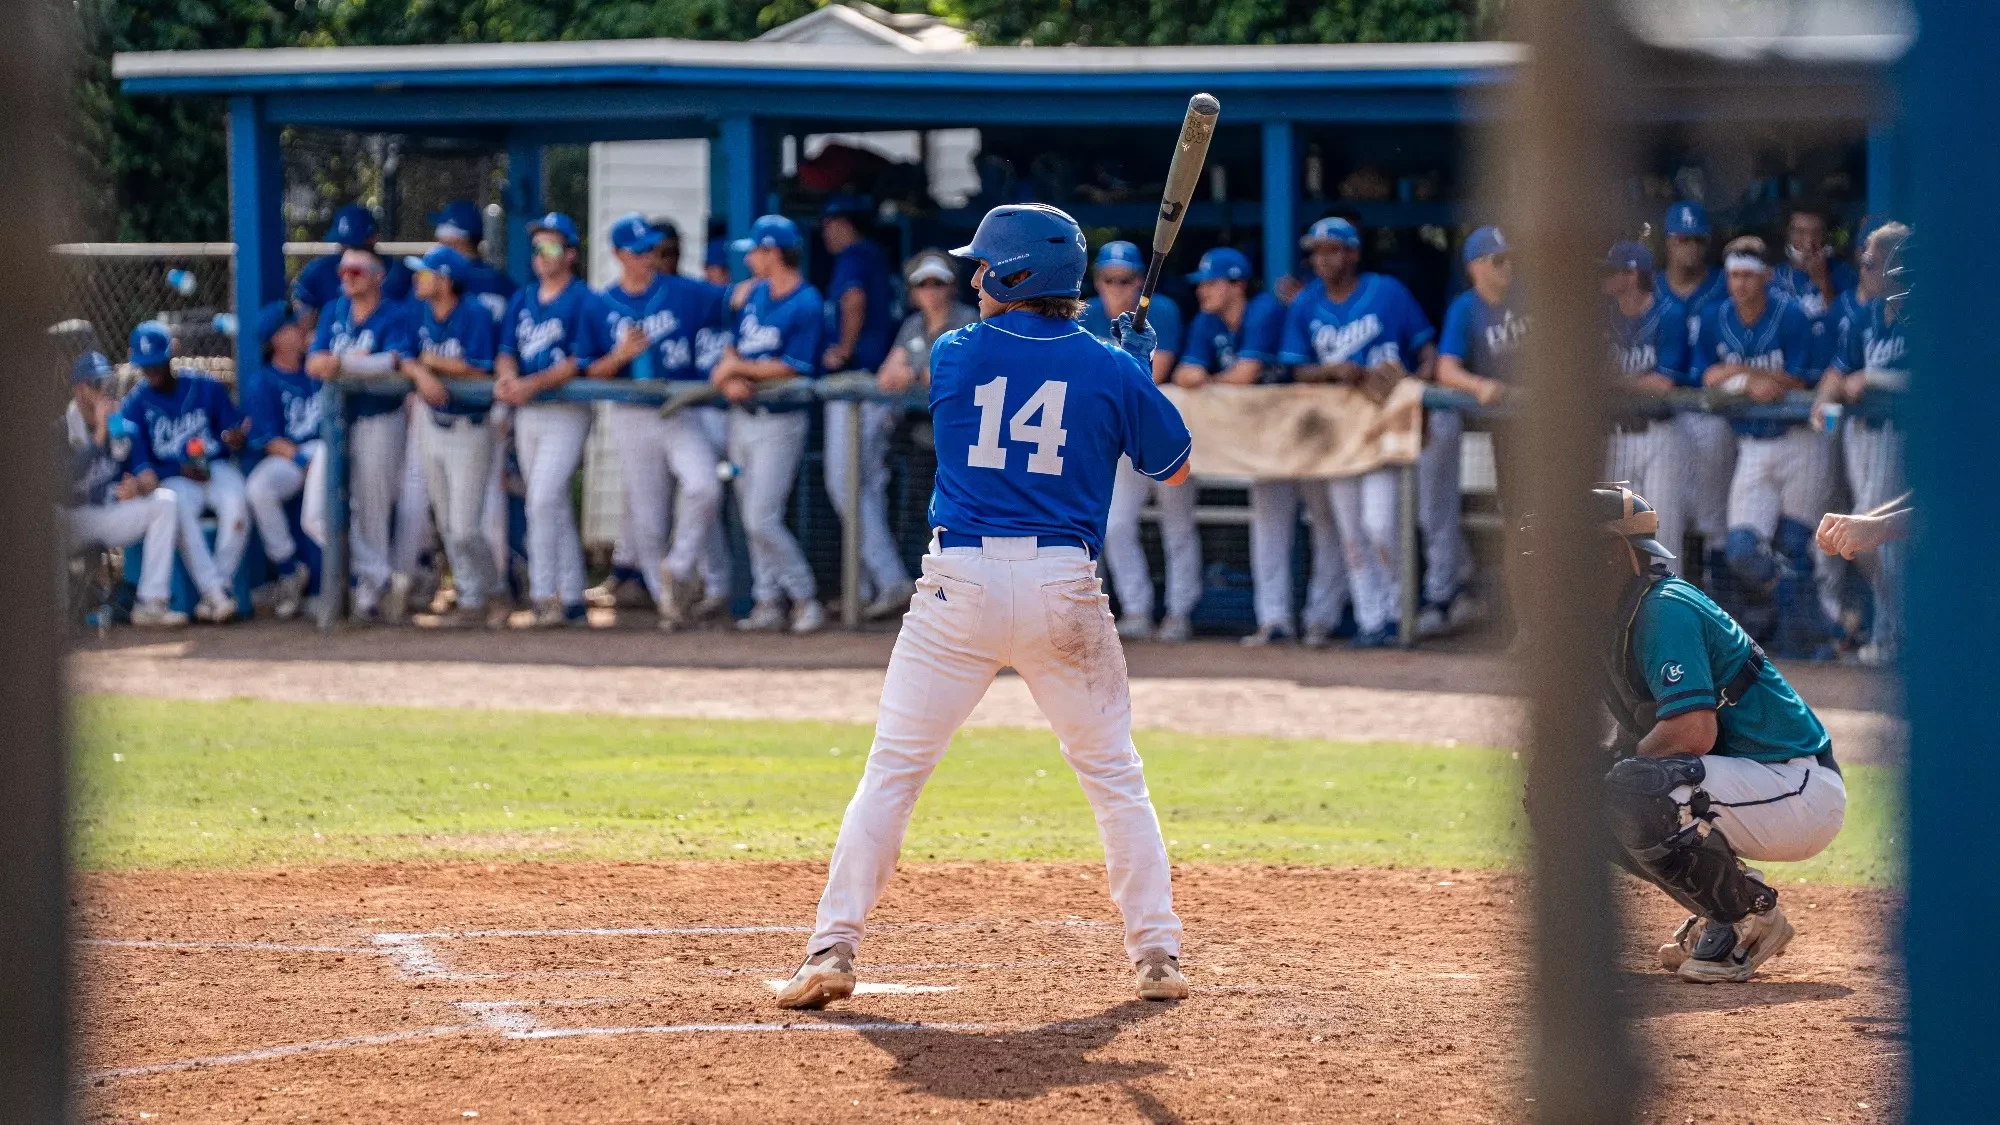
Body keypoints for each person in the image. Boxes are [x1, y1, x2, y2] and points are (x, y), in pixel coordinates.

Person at [773, 202, 1192, 1011]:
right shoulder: (1107, 367)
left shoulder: (953, 352)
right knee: (1114, 775)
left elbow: (1033, 367)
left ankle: (832, 943)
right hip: (1064, 591)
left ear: (1015, 274)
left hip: (956, 589)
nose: (973, 280)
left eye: (984, 267)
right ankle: (1157, 952)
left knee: (893, 770)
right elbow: (1170, 464)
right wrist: (1133, 373)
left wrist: (1118, 368)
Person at [1562, 485, 1843, 983]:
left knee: (1629, 787)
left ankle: (1745, 915)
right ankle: (1724, 909)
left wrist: (1616, 769)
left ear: (1612, 553)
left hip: (1797, 786)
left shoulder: (1662, 609)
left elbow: (1693, 731)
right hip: (1746, 782)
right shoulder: (1613, 620)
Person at [1280, 219, 1437, 648]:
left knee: (1381, 525)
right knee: (1351, 534)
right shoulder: (1306, 302)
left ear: (1353, 253)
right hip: (1340, 431)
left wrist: (1415, 388)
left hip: (1385, 424)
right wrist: (1333, 370)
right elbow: (1295, 367)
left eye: (1332, 250)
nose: (1322, 259)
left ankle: (1399, 613)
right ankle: (1372, 621)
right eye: (1316, 251)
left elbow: (1427, 350)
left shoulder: (1387, 292)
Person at [1182, 243, 1346, 649]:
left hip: (1308, 428)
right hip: (1267, 438)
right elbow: (1186, 373)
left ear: (1237, 285)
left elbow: (1246, 374)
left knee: (1326, 523)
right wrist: (1208, 379)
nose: (1203, 290)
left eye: (1212, 283)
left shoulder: (1264, 310)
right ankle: (1275, 621)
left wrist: (1210, 381)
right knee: (1269, 527)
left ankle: (1322, 619)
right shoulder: (1207, 321)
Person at [586, 213, 734, 631]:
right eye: (639, 252)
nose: (648, 257)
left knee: (704, 486)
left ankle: (680, 566)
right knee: (648, 520)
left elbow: (734, 300)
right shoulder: (602, 303)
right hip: (632, 414)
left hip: (679, 408)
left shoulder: (682, 290)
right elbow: (587, 370)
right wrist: (619, 356)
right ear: (618, 255)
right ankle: (666, 600)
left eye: (651, 249)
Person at [1692, 236, 1835, 656]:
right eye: (1734, 275)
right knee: (1741, 550)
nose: (1740, 284)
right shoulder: (1716, 317)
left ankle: (1805, 646)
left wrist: (1743, 378)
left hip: (1800, 441)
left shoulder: (1791, 315)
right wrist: (1747, 378)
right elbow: (1706, 376)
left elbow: (1801, 380)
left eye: (1749, 276)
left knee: (1794, 546)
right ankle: (1819, 623)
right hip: (1752, 445)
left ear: (1767, 276)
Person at [710, 214, 826, 634]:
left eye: (756, 251)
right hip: (743, 419)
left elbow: (794, 366)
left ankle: (805, 597)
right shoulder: (754, 294)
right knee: (750, 516)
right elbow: (732, 348)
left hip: (781, 422)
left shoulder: (806, 301)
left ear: (773, 252)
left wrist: (738, 369)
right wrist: (731, 376)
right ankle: (767, 601)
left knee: (762, 517)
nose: (750, 259)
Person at [496, 212, 605, 628]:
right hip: (528, 412)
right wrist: (510, 378)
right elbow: (507, 350)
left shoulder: (583, 298)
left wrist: (531, 384)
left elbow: (580, 361)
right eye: (538, 246)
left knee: (541, 498)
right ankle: (573, 598)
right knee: (553, 503)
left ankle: (543, 595)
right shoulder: (523, 297)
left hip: (566, 411)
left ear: (571, 254)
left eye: (552, 246)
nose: (541, 254)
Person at [1084, 240, 1196, 640]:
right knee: (1115, 525)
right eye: (1108, 279)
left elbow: (1154, 374)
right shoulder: (1085, 314)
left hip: (1163, 433)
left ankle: (1180, 612)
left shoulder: (1160, 310)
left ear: (1139, 282)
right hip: (1118, 439)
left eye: (1125, 279)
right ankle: (1136, 610)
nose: (1116, 287)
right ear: (1097, 281)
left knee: (1177, 524)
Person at [1812, 221, 1911, 665]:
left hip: (1900, 436)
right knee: (1875, 537)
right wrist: (1825, 399)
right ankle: (1892, 629)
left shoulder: (1918, 315)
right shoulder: (1866, 316)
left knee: (1878, 529)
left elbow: (1931, 383)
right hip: (1864, 439)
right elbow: (1838, 372)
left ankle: (1894, 635)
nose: (1863, 271)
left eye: (1871, 263)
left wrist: (1871, 378)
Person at [305, 246, 419, 623]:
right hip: (337, 424)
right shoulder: (333, 311)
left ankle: (369, 600)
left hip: (380, 421)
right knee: (316, 515)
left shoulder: (395, 313)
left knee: (373, 513)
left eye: (356, 271)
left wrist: (343, 364)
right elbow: (314, 362)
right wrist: (353, 364)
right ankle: (384, 578)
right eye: (343, 271)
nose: (347, 278)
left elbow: (394, 362)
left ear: (377, 276)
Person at [397, 245, 504, 629]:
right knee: (446, 524)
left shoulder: (474, 313)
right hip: (433, 424)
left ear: (444, 281)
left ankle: (490, 590)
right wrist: (421, 373)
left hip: (470, 429)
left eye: (425, 273)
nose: (418, 279)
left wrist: (435, 363)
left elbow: (482, 370)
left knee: (465, 527)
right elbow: (403, 355)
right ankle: (474, 596)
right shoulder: (418, 309)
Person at [1426, 225, 1526, 634]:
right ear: (1475, 268)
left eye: (1510, 259)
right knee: (1519, 524)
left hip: (1541, 425)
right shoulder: (1466, 308)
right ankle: (1524, 625)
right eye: (1498, 260)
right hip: (1505, 430)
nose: (1508, 267)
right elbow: (1445, 369)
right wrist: (1479, 384)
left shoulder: (1530, 298)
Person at [819, 195, 915, 617]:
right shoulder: (876, 256)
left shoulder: (855, 255)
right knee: (867, 487)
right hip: (881, 384)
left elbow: (853, 300)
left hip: (861, 383)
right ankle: (866, 586)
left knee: (846, 484)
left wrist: (843, 347)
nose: (826, 234)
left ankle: (889, 579)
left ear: (844, 224)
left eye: (830, 225)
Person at [121, 321, 251, 623]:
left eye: (156, 363)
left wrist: (234, 438)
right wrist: (178, 468)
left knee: (237, 504)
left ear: (171, 355)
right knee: (178, 509)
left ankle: (219, 589)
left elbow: (232, 431)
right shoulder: (135, 405)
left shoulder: (205, 386)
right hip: (176, 478)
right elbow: (144, 466)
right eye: (146, 366)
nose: (152, 372)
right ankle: (215, 594)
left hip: (214, 468)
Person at [64, 351, 186, 627]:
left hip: (108, 515)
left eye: (107, 383)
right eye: (96, 384)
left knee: (164, 501)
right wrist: (99, 436)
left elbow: (149, 476)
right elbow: (63, 482)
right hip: (71, 519)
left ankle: (152, 604)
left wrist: (139, 486)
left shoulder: (123, 428)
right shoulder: (62, 430)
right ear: (80, 390)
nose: (104, 391)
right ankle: (53, 616)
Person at [1602, 239, 1690, 575]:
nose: (1605, 278)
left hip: (1660, 436)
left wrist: (1614, 382)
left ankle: (1670, 604)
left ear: (1633, 275)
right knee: (1615, 538)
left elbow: (1663, 384)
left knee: (1663, 538)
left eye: (1613, 272)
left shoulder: (1670, 314)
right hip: (1616, 437)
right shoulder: (1603, 318)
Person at [1657, 202, 1734, 582]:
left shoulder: (1725, 285)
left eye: (1697, 240)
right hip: (1665, 413)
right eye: (1682, 239)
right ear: (1668, 242)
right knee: (1665, 508)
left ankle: (1717, 585)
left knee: (1713, 510)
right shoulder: (1649, 287)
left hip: (1711, 411)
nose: (1690, 248)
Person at [240, 301, 323, 621]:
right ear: (276, 339)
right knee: (258, 488)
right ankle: (289, 569)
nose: (301, 329)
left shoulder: (316, 367)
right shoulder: (262, 382)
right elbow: (270, 441)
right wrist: (302, 460)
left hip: (326, 450)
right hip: (294, 457)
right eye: (292, 327)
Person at [292, 203, 412, 331]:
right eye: (343, 244)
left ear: (373, 239)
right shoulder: (321, 269)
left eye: (355, 245)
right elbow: (302, 311)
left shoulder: (398, 273)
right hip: (335, 338)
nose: (348, 249)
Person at [877, 250, 978, 397]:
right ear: (912, 290)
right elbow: (886, 374)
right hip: (912, 409)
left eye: (938, 283)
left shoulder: (970, 320)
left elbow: (965, 371)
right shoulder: (912, 324)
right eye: (922, 284)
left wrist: (913, 375)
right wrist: (905, 374)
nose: (930, 291)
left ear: (953, 286)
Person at [1770, 206, 1857, 372]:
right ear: (1788, 234)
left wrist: (1823, 281)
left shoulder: (1844, 274)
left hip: (1831, 369)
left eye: (1816, 232)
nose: (1809, 241)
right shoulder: (1774, 278)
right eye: (1800, 232)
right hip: (1786, 372)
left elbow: (1849, 326)